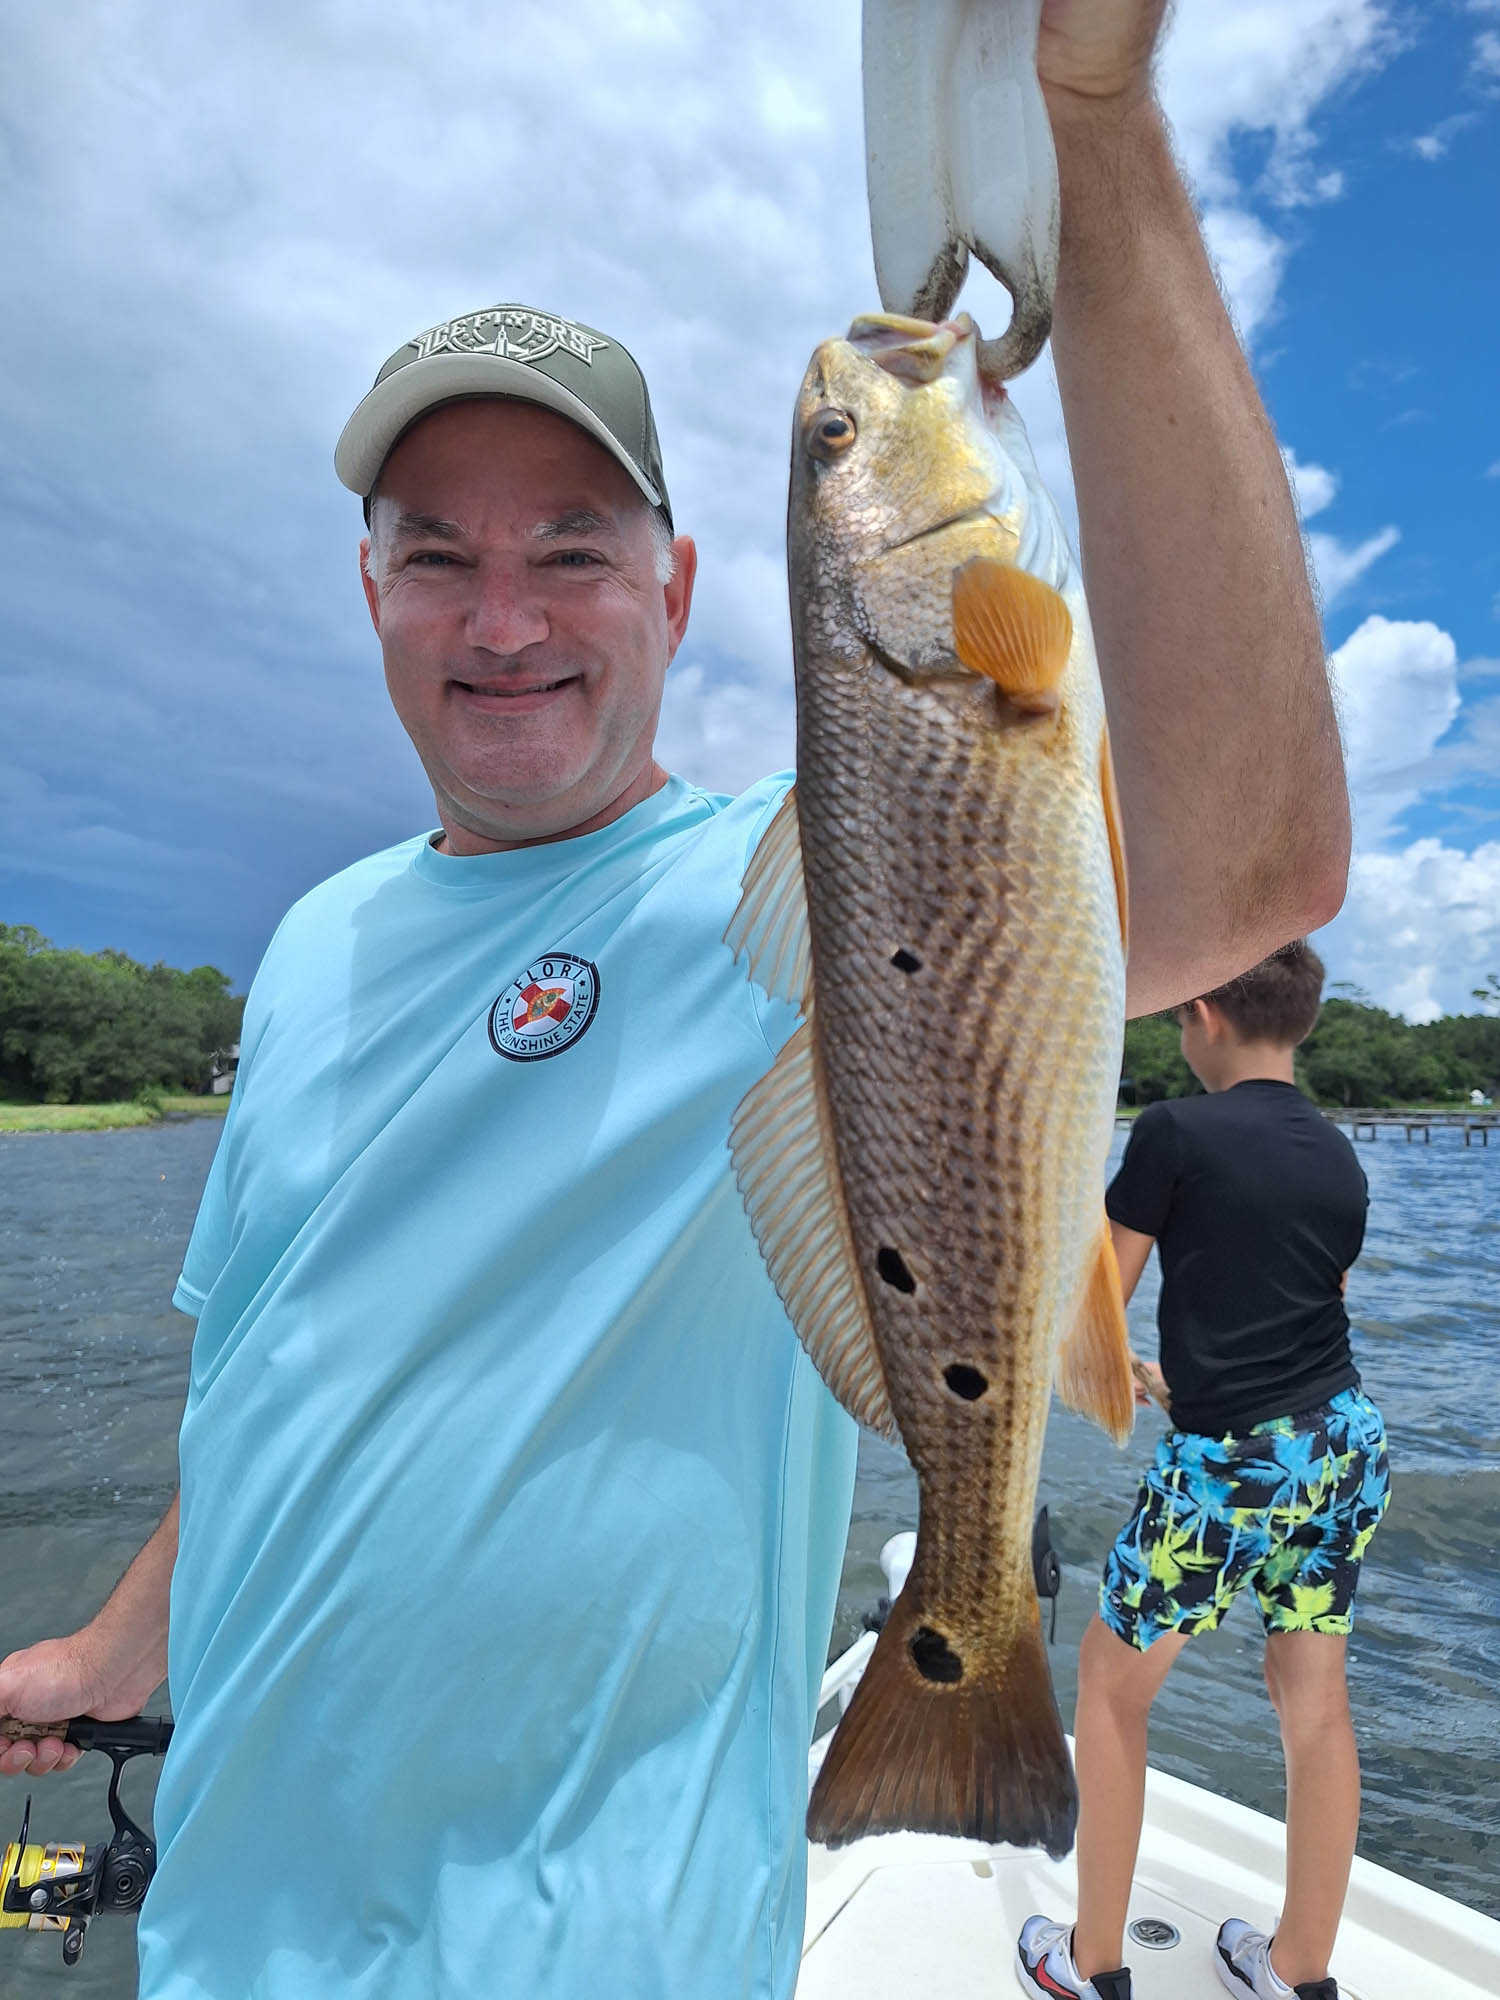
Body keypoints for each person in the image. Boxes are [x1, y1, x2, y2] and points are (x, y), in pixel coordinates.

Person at [0, 8, 1352, 1996]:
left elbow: (1253, 863)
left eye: (573, 548)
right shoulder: (308, 949)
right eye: (439, 553)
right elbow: (276, 1373)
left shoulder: (798, 887)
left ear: (685, 580)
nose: (509, 617)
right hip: (224, 1941)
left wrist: (1099, 135)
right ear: (369, 589)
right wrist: (124, 1644)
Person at [1017, 942, 1389, 2000]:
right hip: (1342, 1443)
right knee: (1315, 1702)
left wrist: (1111, 1369)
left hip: (1233, 1467)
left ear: (1207, 1011)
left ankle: (1090, 1966)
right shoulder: (1339, 1152)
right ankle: (1297, 1968)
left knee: (1110, 1687)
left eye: (1182, 1017)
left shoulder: (1172, 1130)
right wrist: (1183, 1382)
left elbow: (1093, 1306)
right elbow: (1307, 1310)